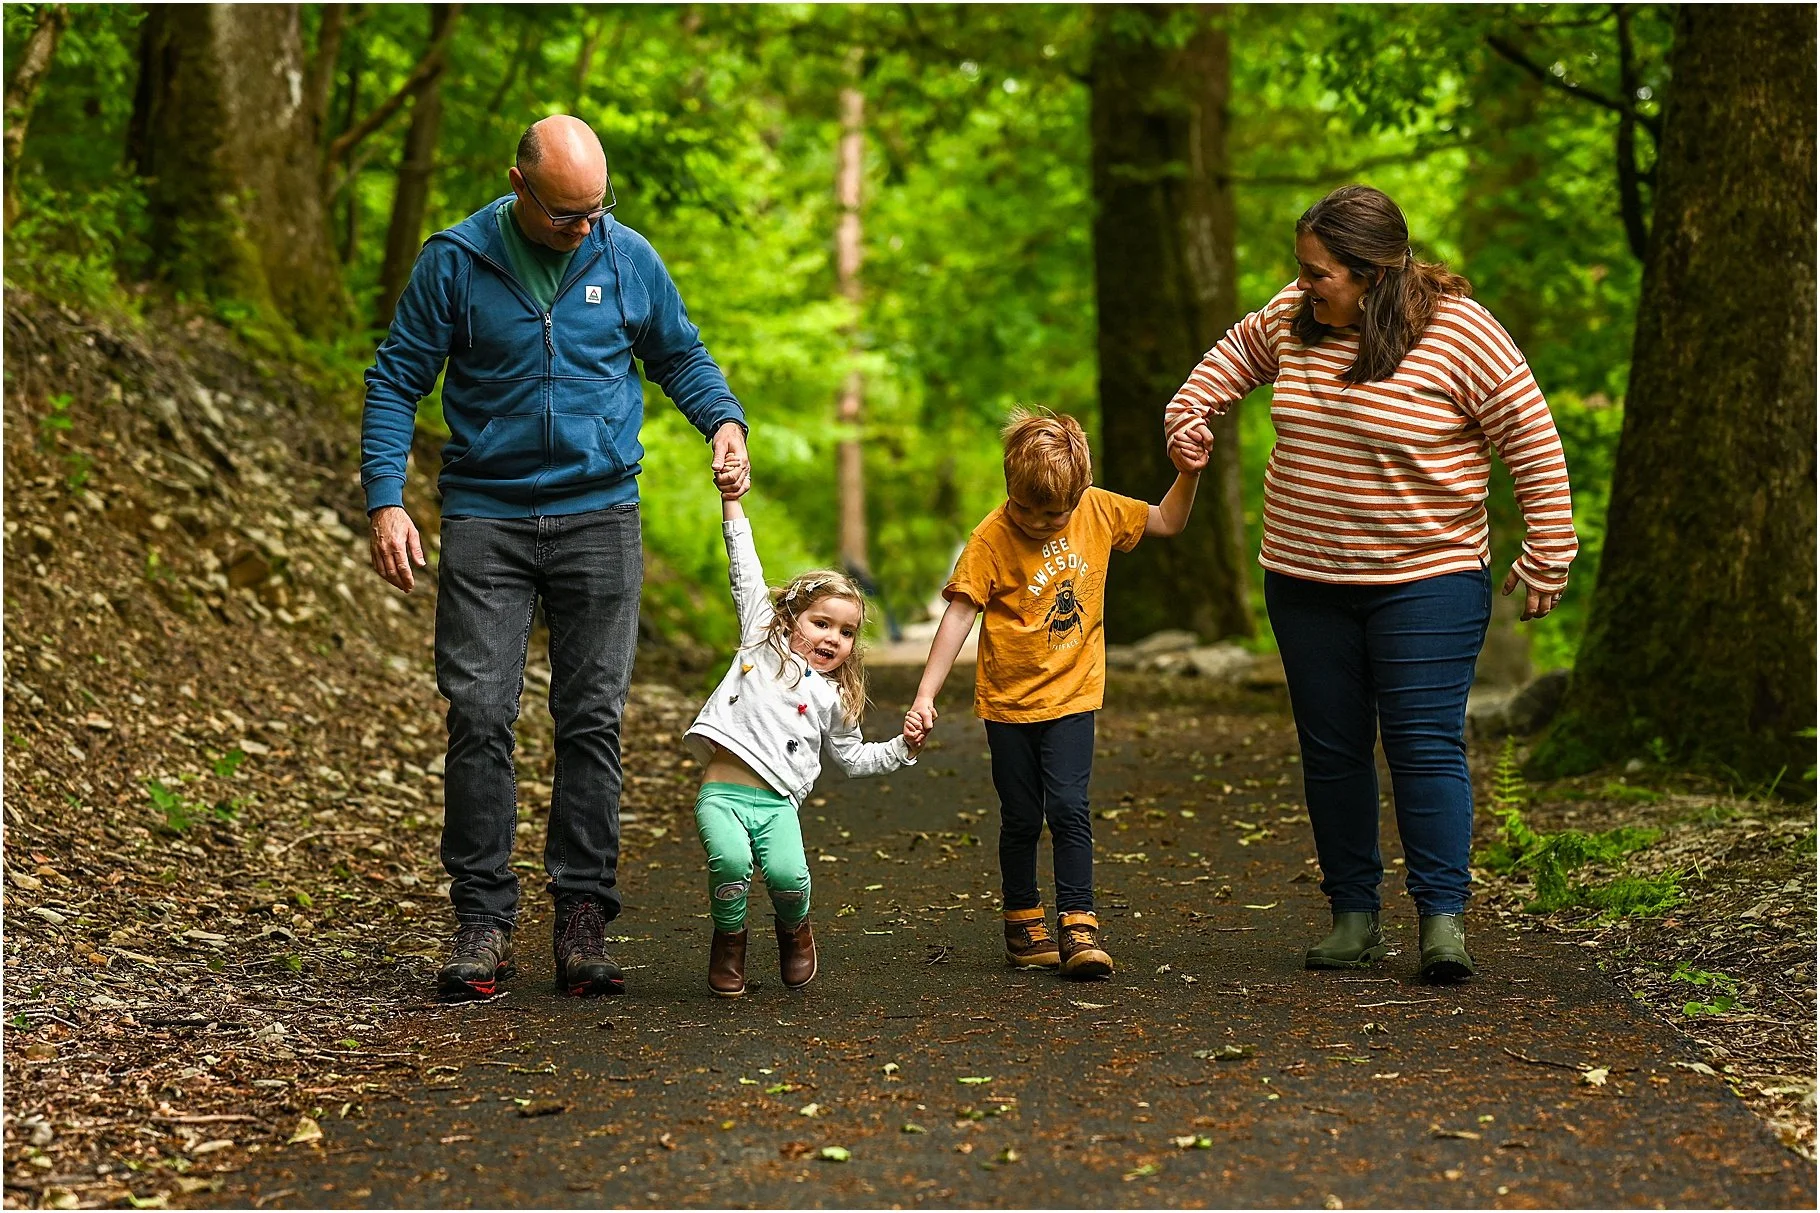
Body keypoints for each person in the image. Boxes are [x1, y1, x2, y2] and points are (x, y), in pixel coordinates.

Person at [361, 115, 753, 1002]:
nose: (586, 227)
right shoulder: (456, 262)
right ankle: (483, 918)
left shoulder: (626, 257)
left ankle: (582, 915)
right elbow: (395, 379)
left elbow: (680, 354)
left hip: (599, 515)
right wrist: (387, 498)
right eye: (568, 214)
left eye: (596, 210)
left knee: (591, 718)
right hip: (486, 518)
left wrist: (723, 421)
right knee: (480, 712)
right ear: (519, 186)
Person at [1166, 184, 1577, 982]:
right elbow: (1221, 366)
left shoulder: (1461, 333)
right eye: (1302, 269)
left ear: (1373, 274)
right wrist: (1191, 416)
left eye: (1320, 272)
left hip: (1428, 578)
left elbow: (1531, 436)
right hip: (1306, 574)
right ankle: (1353, 916)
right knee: (1333, 751)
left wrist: (1548, 550)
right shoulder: (1294, 318)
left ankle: (1442, 923)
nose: (1304, 284)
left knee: (1424, 745)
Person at [908, 408, 1206, 980]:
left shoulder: (1098, 510)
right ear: (1008, 491)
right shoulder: (991, 537)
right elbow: (959, 614)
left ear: (1080, 492)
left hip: (1074, 694)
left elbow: (1168, 520)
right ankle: (1023, 920)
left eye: (1054, 512)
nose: (1040, 522)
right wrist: (925, 695)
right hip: (1009, 703)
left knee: (1069, 807)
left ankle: (1078, 922)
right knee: (1021, 815)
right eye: (1026, 508)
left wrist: (1188, 473)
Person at [684, 490, 925, 997]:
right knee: (730, 865)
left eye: (846, 632)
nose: (833, 638)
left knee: (788, 879)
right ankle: (730, 943)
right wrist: (733, 502)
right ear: (791, 619)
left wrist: (902, 745)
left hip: (777, 807)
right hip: (722, 795)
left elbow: (855, 757)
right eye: (822, 623)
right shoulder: (759, 641)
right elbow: (743, 565)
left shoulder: (833, 697)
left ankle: (796, 932)